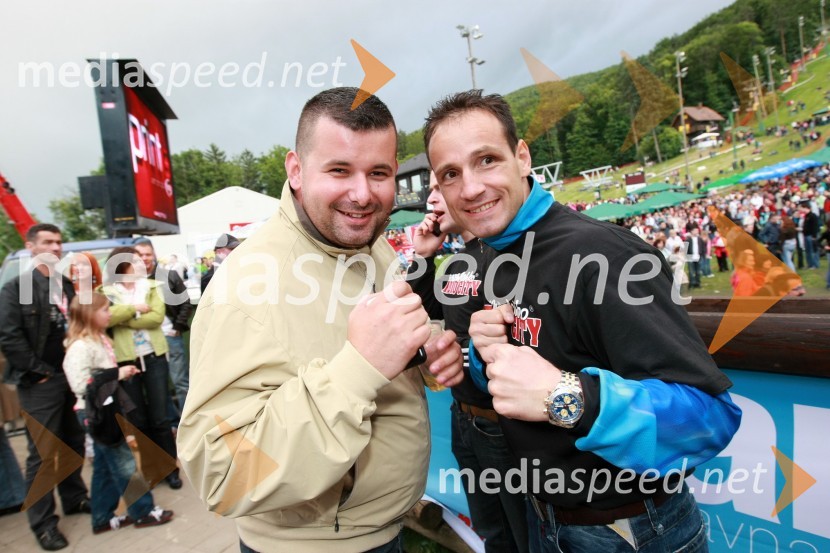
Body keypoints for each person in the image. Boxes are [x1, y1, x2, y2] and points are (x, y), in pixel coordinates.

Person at [424, 91, 741, 553]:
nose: (470, 188)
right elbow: (536, 369)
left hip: (633, 530)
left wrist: (564, 397)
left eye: (487, 160)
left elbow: (711, 418)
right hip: (548, 519)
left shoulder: (604, 256)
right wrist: (482, 356)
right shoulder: (492, 252)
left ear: (523, 157)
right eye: (451, 174)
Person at [177, 87, 463, 553]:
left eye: (379, 173)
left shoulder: (369, 244)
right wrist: (358, 370)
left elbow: (370, 344)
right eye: (339, 170)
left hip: (384, 530)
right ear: (296, 171)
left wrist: (426, 349)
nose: (363, 194)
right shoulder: (245, 287)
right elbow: (221, 472)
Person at [407, 174, 528, 553]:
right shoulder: (457, 262)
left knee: (525, 537)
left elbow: (518, 339)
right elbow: (428, 308)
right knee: (493, 534)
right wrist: (424, 257)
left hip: (504, 428)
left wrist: (460, 356)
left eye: (437, 187)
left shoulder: (507, 253)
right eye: (428, 189)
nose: (430, 200)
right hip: (464, 419)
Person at [0, 223, 90, 551]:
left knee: (74, 440)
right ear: (31, 247)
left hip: (71, 377)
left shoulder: (65, 285)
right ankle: (43, 524)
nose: (55, 247)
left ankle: (75, 498)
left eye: (59, 242)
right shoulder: (16, 288)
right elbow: (9, 336)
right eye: (47, 242)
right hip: (41, 382)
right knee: (42, 453)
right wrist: (39, 371)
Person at [62, 292, 174, 534]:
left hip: (107, 409)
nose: (110, 314)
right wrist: (117, 374)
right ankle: (143, 512)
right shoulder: (80, 347)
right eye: (105, 310)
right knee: (124, 464)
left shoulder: (99, 339)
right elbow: (80, 384)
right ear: (89, 315)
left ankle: (101, 518)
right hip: (97, 413)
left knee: (104, 466)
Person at [100, 246, 182, 490]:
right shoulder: (105, 292)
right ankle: (150, 469)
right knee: (137, 418)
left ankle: (170, 468)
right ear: (121, 265)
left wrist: (123, 318)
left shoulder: (152, 287)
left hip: (154, 357)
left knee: (160, 416)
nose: (141, 264)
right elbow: (106, 317)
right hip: (126, 361)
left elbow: (156, 318)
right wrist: (135, 309)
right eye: (134, 261)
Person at [133, 239, 193, 416]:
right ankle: (172, 423)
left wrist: (177, 327)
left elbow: (185, 303)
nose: (144, 258)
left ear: (154, 255)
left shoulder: (168, 276)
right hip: (146, 340)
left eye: (147, 254)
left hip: (169, 334)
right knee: (158, 386)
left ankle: (187, 421)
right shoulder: (129, 280)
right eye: (140, 254)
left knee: (180, 381)